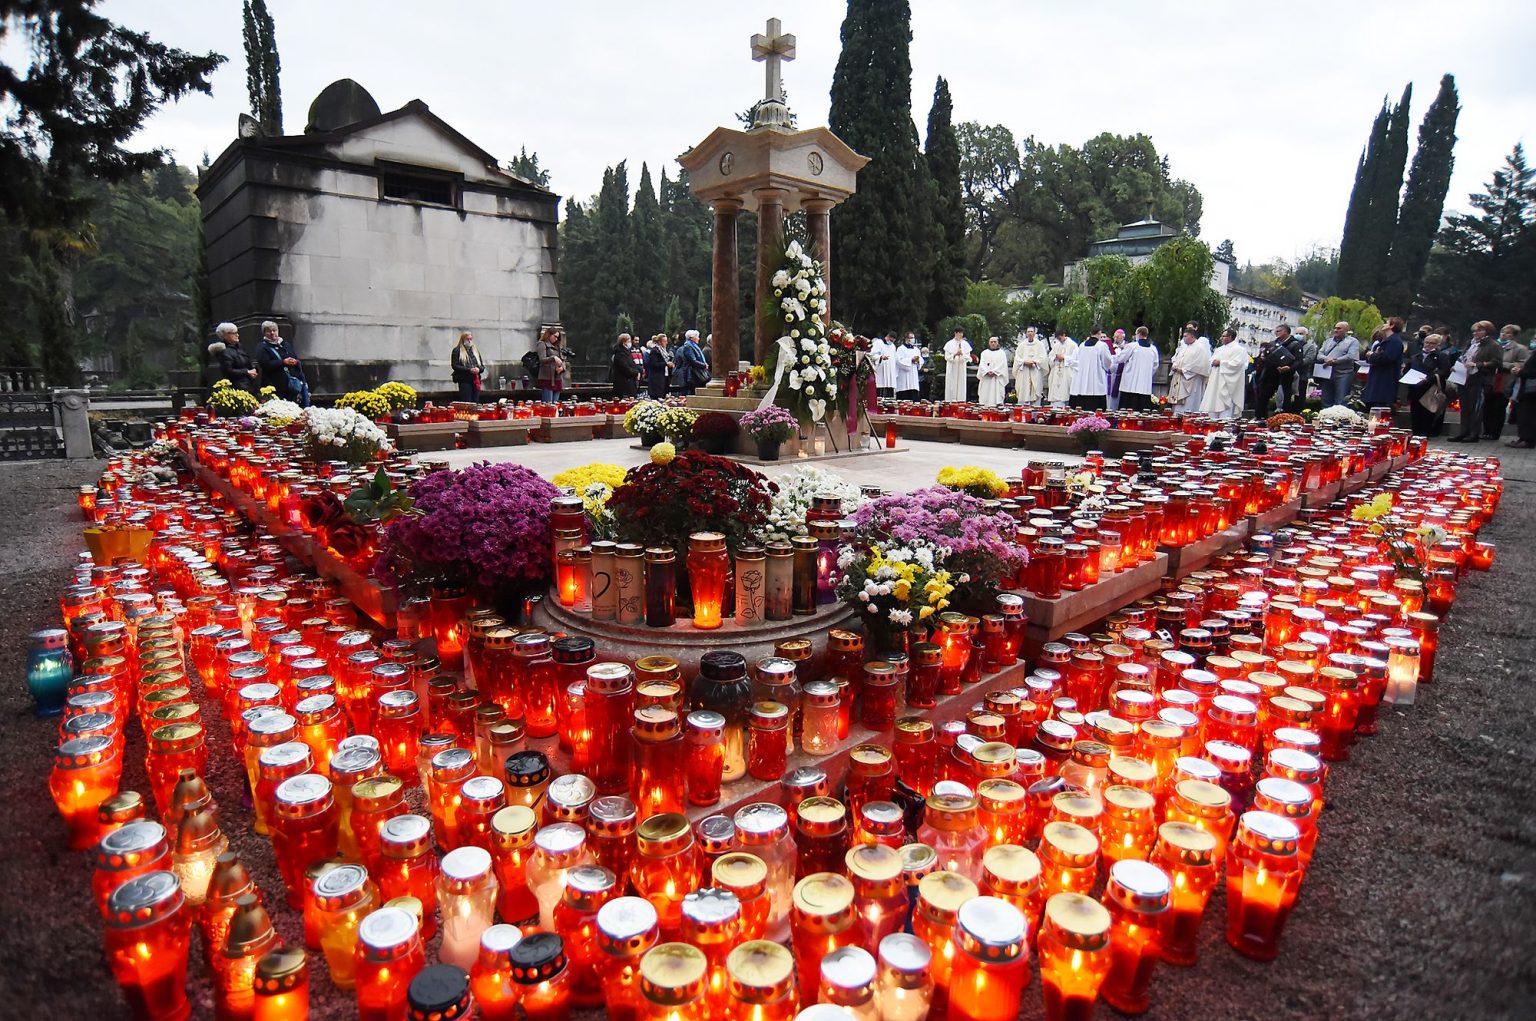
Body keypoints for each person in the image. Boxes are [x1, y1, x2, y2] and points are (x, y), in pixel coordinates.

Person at [1447, 320, 1500, 442]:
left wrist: (1478, 364)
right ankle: (1463, 432)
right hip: (1465, 378)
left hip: (1480, 379)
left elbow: (1497, 362)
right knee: (1464, 407)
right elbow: (1463, 357)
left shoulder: (1493, 345)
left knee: (1475, 407)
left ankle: (1473, 433)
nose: (1475, 333)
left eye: (1479, 330)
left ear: (1487, 331)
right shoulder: (1470, 343)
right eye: (1474, 331)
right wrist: (1457, 366)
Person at [1486, 323, 1530, 439]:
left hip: (1505, 380)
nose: (1504, 335)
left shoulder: (1520, 349)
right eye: (1502, 332)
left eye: (1508, 333)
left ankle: (1494, 433)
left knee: (1499, 407)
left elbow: (1522, 363)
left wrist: (1505, 365)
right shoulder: (1493, 346)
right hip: (1490, 379)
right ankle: (1486, 430)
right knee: (1487, 406)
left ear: (1513, 336)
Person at [1406, 332, 1454, 437]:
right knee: (1415, 411)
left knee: (1427, 411)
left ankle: (1426, 432)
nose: (1428, 345)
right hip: (1415, 387)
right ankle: (1416, 431)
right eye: (1426, 342)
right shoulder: (1416, 356)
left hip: (1430, 388)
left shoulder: (1441, 356)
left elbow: (1445, 371)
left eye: (1432, 343)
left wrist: (1429, 378)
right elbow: (1409, 368)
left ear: (1437, 345)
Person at [1200, 328, 1250, 420]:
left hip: (1228, 382)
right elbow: (1212, 360)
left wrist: (1221, 363)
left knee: (1226, 406)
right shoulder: (1219, 349)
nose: (1221, 338)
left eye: (1223, 336)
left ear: (1230, 337)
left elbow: (1238, 364)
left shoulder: (1239, 350)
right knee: (1213, 403)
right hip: (1216, 380)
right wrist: (1213, 362)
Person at [256, 321, 309, 406]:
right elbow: (265, 364)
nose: (272, 333)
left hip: (292, 386)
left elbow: (295, 357)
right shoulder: (262, 347)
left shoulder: (286, 344)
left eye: (274, 330)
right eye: (268, 331)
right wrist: (283, 362)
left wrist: (295, 362)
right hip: (275, 386)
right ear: (264, 333)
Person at [1254, 325, 1299, 417]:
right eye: (1276, 331)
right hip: (1270, 375)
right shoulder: (1272, 344)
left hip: (1285, 375)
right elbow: (1266, 357)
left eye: (1279, 331)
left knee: (1284, 398)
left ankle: (1284, 419)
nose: (1276, 333)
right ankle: (1260, 417)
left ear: (1286, 332)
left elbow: (1299, 361)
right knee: (1263, 396)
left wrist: (1289, 368)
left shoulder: (1294, 344)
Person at [1315, 321, 1360, 408]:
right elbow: (1319, 354)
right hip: (1327, 374)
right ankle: (1325, 419)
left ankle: (1339, 419)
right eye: (1335, 328)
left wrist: (1334, 361)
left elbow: (1350, 356)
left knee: (1341, 400)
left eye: (1339, 328)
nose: (1335, 330)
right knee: (1326, 400)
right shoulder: (1328, 341)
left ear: (1346, 330)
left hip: (1343, 374)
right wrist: (1326, 359)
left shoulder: (1353, 342)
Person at [1115, 327, 1159, 412]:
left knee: (1127, 409)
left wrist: (1113, 355)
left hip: (1130, 385)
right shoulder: (1153, 349)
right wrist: (1148, 375)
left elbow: (1120, 359)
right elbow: (1155, 365)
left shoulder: (1132, 346)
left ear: (1138, 334)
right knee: (1142, 410)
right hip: (1144, 386)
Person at [1168, 327, 1212, 413]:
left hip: (1191, 381)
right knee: (1178, 407)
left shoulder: (1199, 348)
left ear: (1192, 337)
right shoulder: (1184, 347)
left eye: (1185, 336)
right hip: (1180, 378)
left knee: (1189, 403)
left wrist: (1184, 370)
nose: (1183, 338)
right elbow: (1177, 358)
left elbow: (1200, 364)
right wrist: (1175, 365)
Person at [1508, 324, 1536, 448]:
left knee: (1528, 416)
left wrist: (1520, 372)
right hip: (1525, 388)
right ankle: (1522, 437)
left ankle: (1528, 439)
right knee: (1522, 415)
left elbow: (1532, 372)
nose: (1533, 341)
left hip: (1532, 389)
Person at [1069, 331, 1112, 410]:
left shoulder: (1082, 345)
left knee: (1084, 408)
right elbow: (1107, 361)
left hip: (1083, 383)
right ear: (1099, 334)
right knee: (1097, 409)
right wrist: (1107, 368)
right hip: (1097, 383)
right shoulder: (1102, 346)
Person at [216, 323, 259, 394]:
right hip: (237, 389)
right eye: (234, 333)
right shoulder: (224, 352)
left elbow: (247, 363)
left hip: (250, 385)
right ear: (225, 335)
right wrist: (247, 372)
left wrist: (254, 369)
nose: (237, 335)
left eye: (237, 332)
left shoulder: (240, 347)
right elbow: (228, 371)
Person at [1012, 327, 1048, 405]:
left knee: (1035, 392)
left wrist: (1034, 362)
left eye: (1032, 331)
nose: (1030, 333)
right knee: (1024, 391)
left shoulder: (1040, 345)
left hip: (1035, 370)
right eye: (1028, 332)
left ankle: (1035, 413)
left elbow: (1043, 358)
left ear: (1034, 333)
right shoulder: (1022, 345)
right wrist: (1024, 362)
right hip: (1024, 371)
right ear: (1026, 333)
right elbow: (1017, 357)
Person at [449, 331, 485, 401]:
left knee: (475, 402)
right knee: (466, 401)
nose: (469, 341)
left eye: (471, 339)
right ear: (463, 340)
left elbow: (482, 366)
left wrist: (479, 369)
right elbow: (455, 365)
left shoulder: (475, 351)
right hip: (464, 380)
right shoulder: (457, 351)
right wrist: (469, 370)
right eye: (467, 339)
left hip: (475, 380)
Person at [1046, 329, 1077, 406]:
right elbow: (1050, 357)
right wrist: (1054, 358)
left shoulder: (1073, 345)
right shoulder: (1056, 345)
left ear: (1064, 335)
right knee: (1056, 397)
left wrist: (1064, 357)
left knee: (1065, 394)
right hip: (1056, 374)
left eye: (1060, 338)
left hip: (1066, 374)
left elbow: (1076, 360)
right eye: (1058, 339)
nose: (1059, 340)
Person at [976, 336, 1009, 406]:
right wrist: (987, 371)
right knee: (985, 397)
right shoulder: (984, 353)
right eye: (991, 342)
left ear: (997, 343)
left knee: (996, 396)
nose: (993, 343)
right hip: (986, 379)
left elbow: (1002, 365)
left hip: (996, 379)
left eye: (995, 342)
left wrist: (994, 371)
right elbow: (982, 364)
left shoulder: (1001, 353)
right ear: (989, 343)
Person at [675, 330, 709, 396]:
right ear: (691, 338)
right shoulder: (688, 346)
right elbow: (692, 360)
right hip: (692, 373)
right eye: (697, 337)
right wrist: (703, 365)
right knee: (693, 392)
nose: (698, 338)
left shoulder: (693, 346)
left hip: (696, 372)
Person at [942, 328, 972, 402]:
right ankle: (950, 401)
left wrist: (962, 354)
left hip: (961, 367)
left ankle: (961, 401)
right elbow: (946, 357)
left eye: (961, 333)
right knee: (951, 385)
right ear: (955, 333)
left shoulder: (965, 344)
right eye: (958, 333)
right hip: (952, 367)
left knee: (961, 385)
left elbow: (969, 358)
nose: (960, 335)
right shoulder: (949, 343)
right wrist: (955, 354)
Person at [610, 333, 641, 397]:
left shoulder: (627, 352)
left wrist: (637, 371)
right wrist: (635, 373)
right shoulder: (619, 354)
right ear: (624, 342)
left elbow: (633, 364)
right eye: (629, 341)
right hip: (623, 384)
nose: (630, 343)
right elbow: (625, 368)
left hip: (630, 383)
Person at [1294, 326, 1318, 407]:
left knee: (1300, 397)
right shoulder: (1292, 344)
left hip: (1302, 375)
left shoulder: (1311, 347)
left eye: (1301, 334)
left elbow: (1308, 360)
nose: (1298, 335)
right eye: (1296, 333)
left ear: (1306, 335)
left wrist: (1294, 363)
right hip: (1290, 374)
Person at [894, 334, 922, 401]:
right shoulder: (900, 349)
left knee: (914, 397)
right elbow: (898, 360)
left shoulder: (916, 350)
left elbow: (921, 360)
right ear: (907, 339)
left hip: (913, 377)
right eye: (911, 338)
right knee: (904, 398)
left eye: (913, 338)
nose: (912, 339)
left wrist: (918, 361)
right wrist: (910, 360)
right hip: (904, 376)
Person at [872, 332, 898, 399]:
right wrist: (880, 357)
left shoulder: (893, 346)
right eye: (891, 340)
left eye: (893, 341)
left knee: (889, 397)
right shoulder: (878, 343)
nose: (891, 342)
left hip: (890, 375)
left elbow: (894, 359)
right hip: (881, 372)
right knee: (879, 395)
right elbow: (871, 355)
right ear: (888, 337)